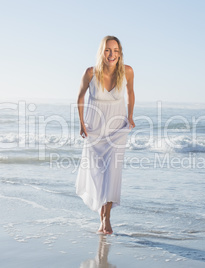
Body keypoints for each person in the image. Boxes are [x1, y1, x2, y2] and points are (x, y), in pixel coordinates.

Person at [75, 36, 135, 235]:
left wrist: (131, 116)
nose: (112, 54)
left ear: (120, 53)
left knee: (113, 174)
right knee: (98, 175)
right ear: (102, 52)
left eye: (116, 50)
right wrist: (82, 123)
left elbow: (131, 93)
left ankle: (106, 219)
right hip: (95, 131)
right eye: (108, 50)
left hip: (117, 130)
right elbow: (80, 97)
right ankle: (101, 215)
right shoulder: (90, 73)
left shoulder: (127, 71)